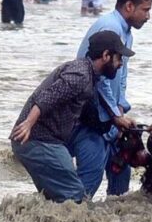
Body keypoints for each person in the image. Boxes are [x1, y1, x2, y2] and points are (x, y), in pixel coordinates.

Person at [11, 31, 134, 204]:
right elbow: (48, 97)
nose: (121, 64)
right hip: (37, 140)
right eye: (119, 58)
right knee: (75, 197)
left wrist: (116, 121)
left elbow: (91, 117)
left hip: (42, 140)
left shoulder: (90, 75)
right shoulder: (81, 76)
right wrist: (28, 124)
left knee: (52, 201)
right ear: (106, 56)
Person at [72, 0, 152, 198]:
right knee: (89, 180)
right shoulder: (110, 27)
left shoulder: (126, 31)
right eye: (145, 10)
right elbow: (99, 78)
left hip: (111, 118)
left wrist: (119, 111)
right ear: (129, 6)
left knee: (122, 174)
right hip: (92, 119)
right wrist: (115, 114)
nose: (148, 16)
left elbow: (120, 78)